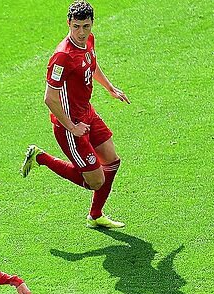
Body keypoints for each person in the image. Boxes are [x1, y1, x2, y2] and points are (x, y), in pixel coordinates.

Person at [21, 0, 130, 228]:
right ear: (69, 23)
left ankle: (95, 216)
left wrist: (110, 88)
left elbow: (92, 64)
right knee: (96, 181)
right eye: (76, 27)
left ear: (92, 24)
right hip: (69, 125)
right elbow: (49, 98)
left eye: (86, 26)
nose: (81, 32)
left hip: (87, 113)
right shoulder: (62, 56)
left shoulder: (88, 40)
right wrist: (72, 127)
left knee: (112, 160)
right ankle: (41, 158)